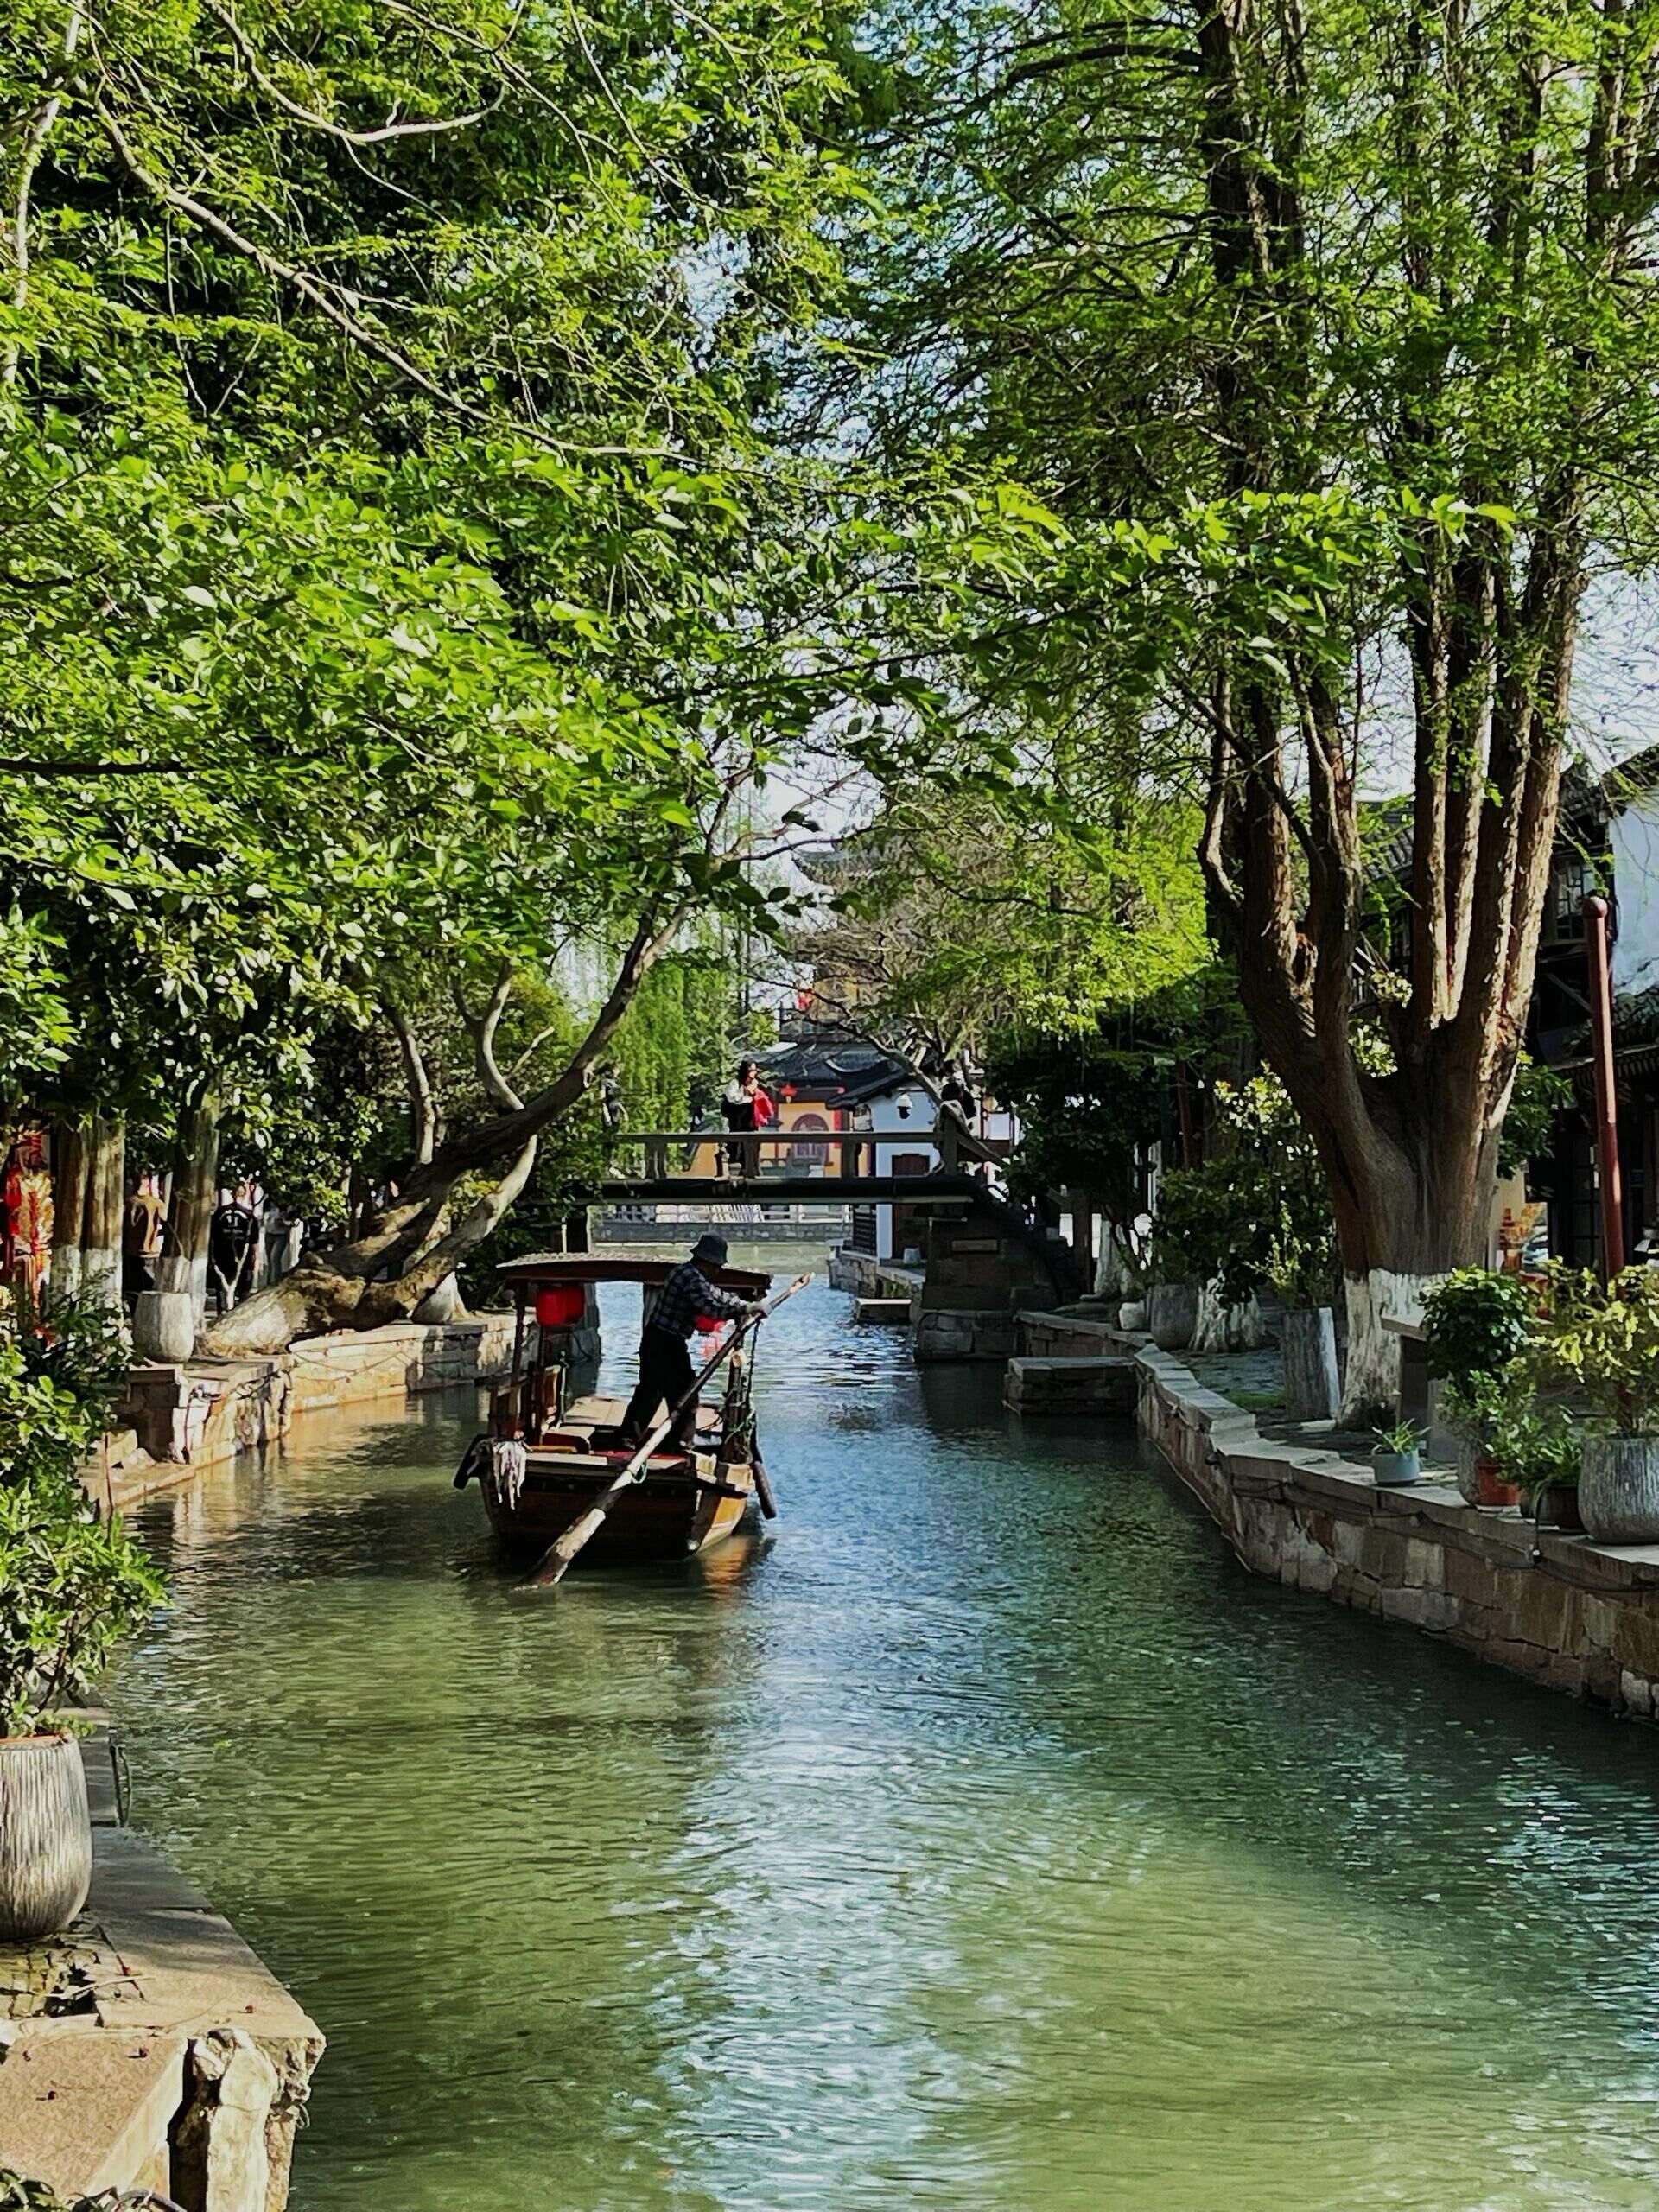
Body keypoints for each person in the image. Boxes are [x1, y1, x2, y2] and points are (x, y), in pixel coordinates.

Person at [620, 1232, 760, 1451]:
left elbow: (718, 1295)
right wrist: (743, 1308)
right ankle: (681, 1441)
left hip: (661, 1339)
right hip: (665, 1342)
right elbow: (711, 1308)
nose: (719, 1271)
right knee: (682, 1394)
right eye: (718, 1266)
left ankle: (631, 1438)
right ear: (709, 1262)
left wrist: (741, 1303)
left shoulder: (689, 1273)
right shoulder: (690, 1278)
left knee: (653, 1391)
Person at [207, 1185, 259, 1315]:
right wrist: (256, 1259)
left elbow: (212, 1237)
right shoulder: (249, 1216)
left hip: (222, 1255)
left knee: (222, 1288)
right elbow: (254, 1242)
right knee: (243, 1290)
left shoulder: (219, 1213)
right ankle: (239, 1315)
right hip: (243, 1256)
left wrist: (211, 1257)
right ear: (244, 1195)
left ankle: (221, 1313)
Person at [720, 1058, 775, 1178]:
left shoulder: (755, 1085)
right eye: (751, 1070)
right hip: (737, 1122)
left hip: (752, 1123)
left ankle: (754, 1171)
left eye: (755, 1070)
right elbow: (733, 1099)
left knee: (753, 1147)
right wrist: (748, 1095)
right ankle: (739, 1171)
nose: (754, 1073)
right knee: (737, 1147)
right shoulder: (735, 1084)